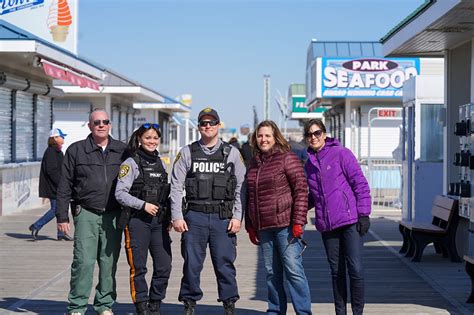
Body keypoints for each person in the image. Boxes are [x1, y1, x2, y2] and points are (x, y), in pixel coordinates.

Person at [170, 107, 246, 315]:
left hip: (223, 218)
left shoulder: (232, 153)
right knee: (192, 264)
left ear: (219, 126)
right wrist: (176, 216)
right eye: (203, 123)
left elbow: (241, 187)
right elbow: (176, 186)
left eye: (211, 123)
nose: (207, 126)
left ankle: (229, 302)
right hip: (194, 217)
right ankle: (189, 302)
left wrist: (238, 216)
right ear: (199, 127)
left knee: (224, 263)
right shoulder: (187, 152)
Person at [56, 109, 127, 315]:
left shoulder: (122, 150)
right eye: (97, 122)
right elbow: (64, 186)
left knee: (108, 263)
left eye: (105, 121)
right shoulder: (76, 150)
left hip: (113, 215)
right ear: (90, 126)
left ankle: (104, 304)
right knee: (83, 261)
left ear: (110, 125)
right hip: (86, 213)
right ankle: (77, 306)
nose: (101, 125)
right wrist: (62, 216)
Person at [304, 119, 371, 315]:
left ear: (324, 134)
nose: (313, 137)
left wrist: (364, 213)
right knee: (336, 272)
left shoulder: (341, 153)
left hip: (350, 221)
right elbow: (313, 195)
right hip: (327, 226)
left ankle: (357, 312)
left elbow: (360, 183)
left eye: (317, 133)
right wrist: (295, 208)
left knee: (356, 269)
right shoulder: (309, 164)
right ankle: (340, 312)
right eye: (309, 135)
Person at [245, 120, 312, 315]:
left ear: (275, 137)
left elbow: (301, 189)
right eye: (259, 135)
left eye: (267, 135)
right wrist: (251, 225)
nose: (263, 139)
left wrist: (298, 222)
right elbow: (251, 196)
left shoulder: (287, 158)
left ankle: (303, 312)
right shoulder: (254, 164)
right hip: (264, 227)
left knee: (293, 271)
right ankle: (275, 310)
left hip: (287, 226)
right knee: (272, 273)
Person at [115, 123, 172, 315]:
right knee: (138, 267)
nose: (152, 141)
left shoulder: (163, 163)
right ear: (140, 139)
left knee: (164, 266)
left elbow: (168, 193)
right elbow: (120, 194)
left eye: (155, 138)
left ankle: (155, 304)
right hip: (137, 221)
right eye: (148, 137)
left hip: (159, 223)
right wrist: (143, 205)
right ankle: (141, 305)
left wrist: (170, 217)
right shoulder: (130, 163)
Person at [29, 128, 73, 241]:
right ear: (54, 138)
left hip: (59, 186)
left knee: (61, 208)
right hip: (54, 187)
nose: (63, 138)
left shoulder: (58, 151)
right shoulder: (51, 152)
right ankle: (36, 226)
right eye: (61, 136)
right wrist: (62, 184)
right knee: (56, 209)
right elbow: (52, 171)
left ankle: (61, 233)